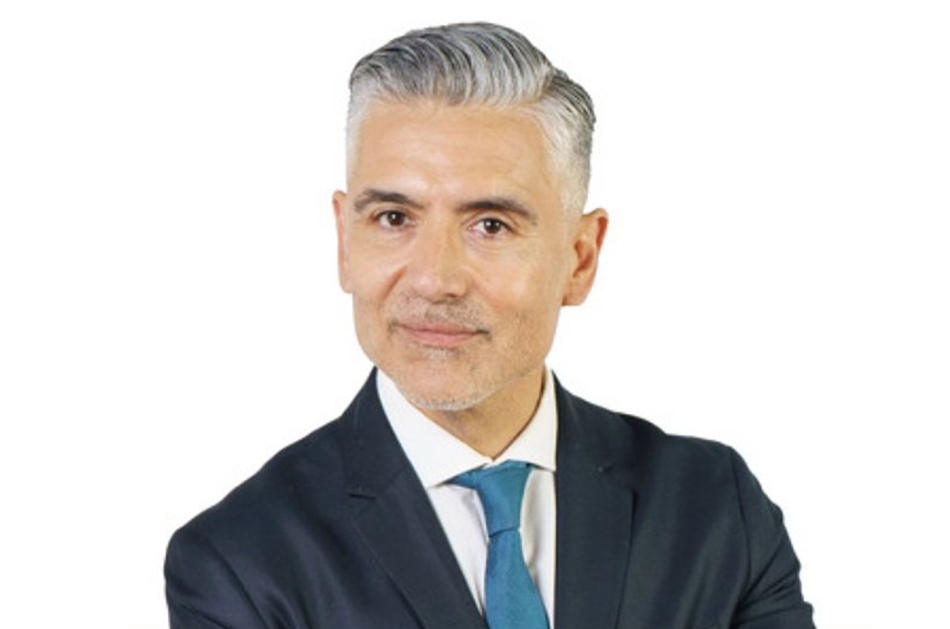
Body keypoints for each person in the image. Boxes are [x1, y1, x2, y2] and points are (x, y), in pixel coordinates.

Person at [164, 22, 815, 629]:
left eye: (491, 225)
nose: (434, 279)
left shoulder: (714, 512)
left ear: (579, 259)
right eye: (393, 218)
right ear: (344, 242)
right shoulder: (240, 563)